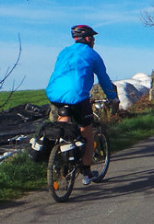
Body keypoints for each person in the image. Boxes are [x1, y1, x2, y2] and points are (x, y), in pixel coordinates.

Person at [46, 25, 119, 185]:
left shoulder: (64, 52)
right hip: (77, 96)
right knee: (87, 130)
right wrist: (113, 97)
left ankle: (60, 157)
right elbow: (103, 79)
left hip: (54, 94)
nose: (93, 41)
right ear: (87, 39)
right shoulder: (92, 54)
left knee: (64, 123)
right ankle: (86, 172)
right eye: (92, 38)